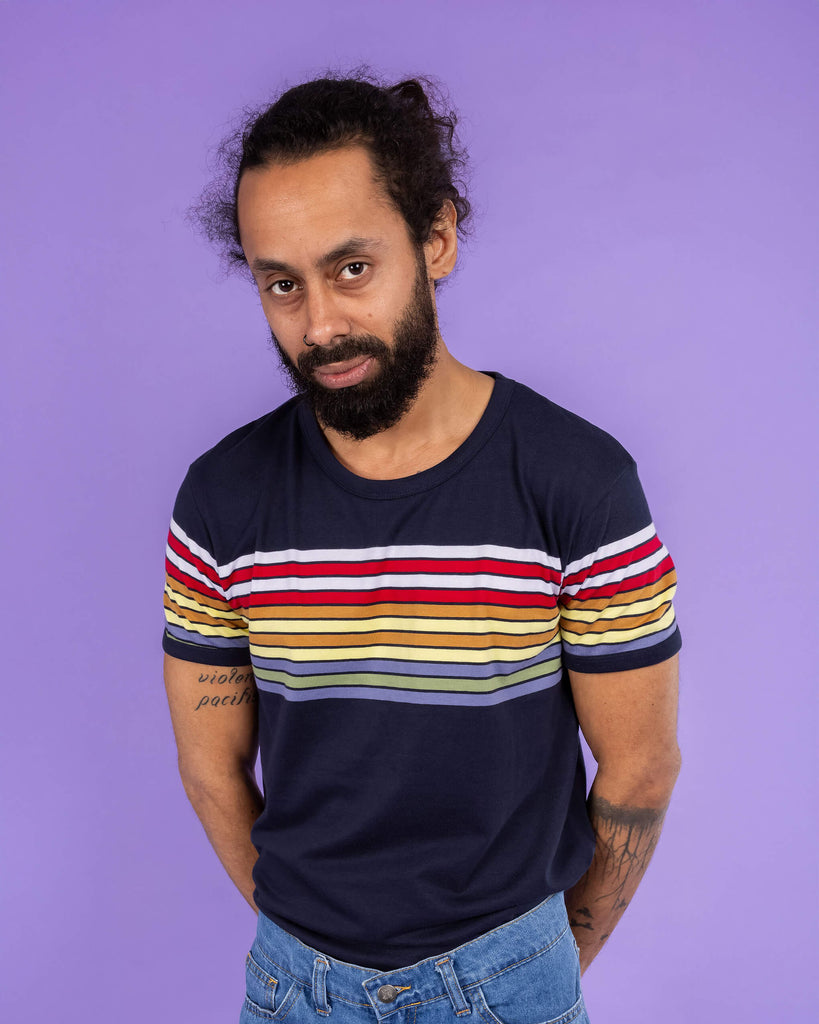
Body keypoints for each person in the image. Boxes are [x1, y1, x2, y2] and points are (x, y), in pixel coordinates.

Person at [162, 73, 682, 1024]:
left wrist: (546, 965)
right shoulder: (221, 499)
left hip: (507, 976)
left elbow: (640, 767)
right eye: (281, 284)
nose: (318, 324)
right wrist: (306, 941)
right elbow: (210, 767)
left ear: (434, 239)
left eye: (350, 268)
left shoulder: (578, 481)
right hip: (291, 986)